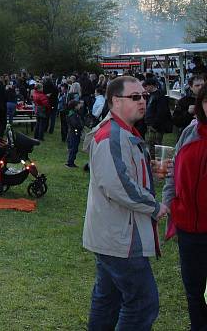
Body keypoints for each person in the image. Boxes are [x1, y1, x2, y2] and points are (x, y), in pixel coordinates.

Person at [83, 75, 168, 331]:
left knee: (107, 299)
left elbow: (120, 174)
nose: (143, 101)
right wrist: (155, 206)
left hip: (111, 233)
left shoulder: (123, 132)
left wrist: (149, 168)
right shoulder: (112, 136)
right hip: (120, 236)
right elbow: (118, 186)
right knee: (143, 303)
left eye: (143, 95)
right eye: (135, 97)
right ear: (114, 102)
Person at [161, 85, 207, 330]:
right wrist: (167, 203)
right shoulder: (190, 132)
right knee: (193, 289)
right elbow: (172, 173)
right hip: (188, 226)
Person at [143, 78, 172, 157]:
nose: (144, 88)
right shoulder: (151, 96)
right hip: (151, 125)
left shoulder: (159, 96)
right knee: (151, 145)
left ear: (151, 85)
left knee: (155, 146)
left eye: (146, 86)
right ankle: (153, 160)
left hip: (156, 126)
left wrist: (154, 125)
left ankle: (156, 161)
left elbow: (162, 112)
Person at [65, 99, 84, 168]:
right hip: (74, 133)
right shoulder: (72, 114)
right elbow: (75, 124)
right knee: (73, 148)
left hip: (74, 133)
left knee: (74, 148)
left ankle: (71, 161)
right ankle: (70, 163)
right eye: (78, 104)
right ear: (75, 106)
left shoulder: (75, 113)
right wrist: (80, 126)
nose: (80, 105)